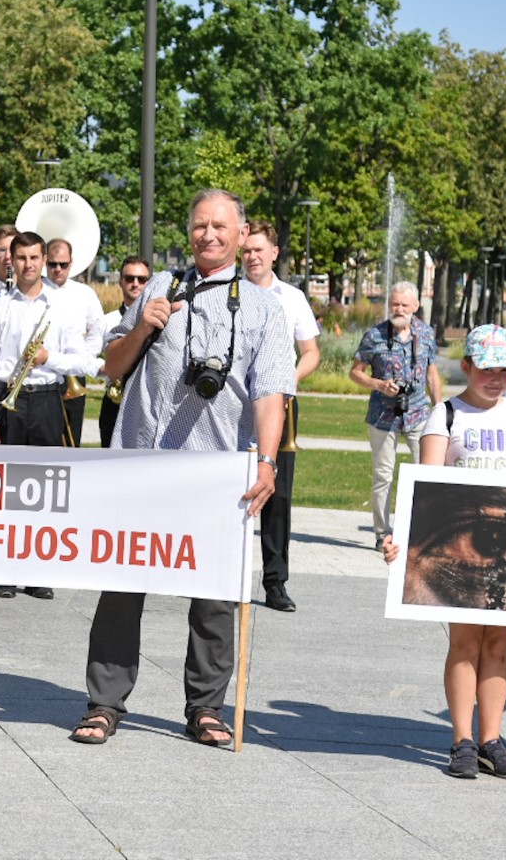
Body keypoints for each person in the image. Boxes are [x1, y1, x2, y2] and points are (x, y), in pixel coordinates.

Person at [73, 190, 292, 748]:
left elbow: (271, 393)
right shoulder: (160, 288)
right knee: (122, 586)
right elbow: (112, 368)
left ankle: (206, 708)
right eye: (199, 225)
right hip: (142, 463)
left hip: (218, 469)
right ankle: (104, 702)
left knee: (214, 594)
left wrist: (267, 461)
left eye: (220, 226)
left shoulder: (265, 308)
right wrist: (141, 329)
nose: (208, 235)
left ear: (241, 234)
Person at [383, 324, 506, 780]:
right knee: (465, 642)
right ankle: (462, 741)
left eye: (504, 371)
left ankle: (492, 739)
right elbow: (427, 489)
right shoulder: (447, 415)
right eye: (487, 369)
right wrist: (400, 539)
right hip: (465, 554)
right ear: (467, 366)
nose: (496, 378)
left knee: (498, 645)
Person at [0, 231, 88, 600]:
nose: (28, 264)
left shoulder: (60, 308)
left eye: (34, 257)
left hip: (46, 400)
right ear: (12, 261)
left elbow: (79, 359)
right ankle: (7, 571)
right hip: (8, 399)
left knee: (44, 489)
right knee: (8, 489)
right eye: (21, 257)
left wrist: (48, 358)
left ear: (43, 260)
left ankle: (39, 571)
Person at [240, 222, 321, 613]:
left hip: (279, 403)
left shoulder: (292, 297)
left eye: (259, 250)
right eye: (246, 250)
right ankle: (225, 577)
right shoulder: (229, 292)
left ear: (274, 253)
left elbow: (311, 352)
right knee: (230, 489)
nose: (252, 256)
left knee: (278, 494)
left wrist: (287, 381)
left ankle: (275, 582)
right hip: (234, 404)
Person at [349, 282, 444, 548]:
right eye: (395, 304)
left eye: (404, 305)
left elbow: (432, 374)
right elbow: (355, 372)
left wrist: (439, 410)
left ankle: (423, 529)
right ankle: (382, 533)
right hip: (382, 416)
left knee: (428, 472)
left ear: (415, 306)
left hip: (418, 413)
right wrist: (379, 385)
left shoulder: (426, 334)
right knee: (383, 475)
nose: (399, 309)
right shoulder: (375, 336)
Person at [44, 237, 107, 447]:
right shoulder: (37, 291)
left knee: (72, 436)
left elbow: (98, 329)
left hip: (74, 373)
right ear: (45, 262)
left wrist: (86, 357)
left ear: (71, 263)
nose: (58, 269)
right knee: (45, 437)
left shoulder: (84, 293)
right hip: (45, 374)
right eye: (53, 264)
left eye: (63, 264)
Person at [98, 256, 152, 449]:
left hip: (146, 404)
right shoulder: (106, 321)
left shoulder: (160, 321)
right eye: (129, 278)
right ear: (121, 281)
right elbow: (87, 356)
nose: (135, 284)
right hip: (114, 403)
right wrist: (108, 367)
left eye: (142, 279)